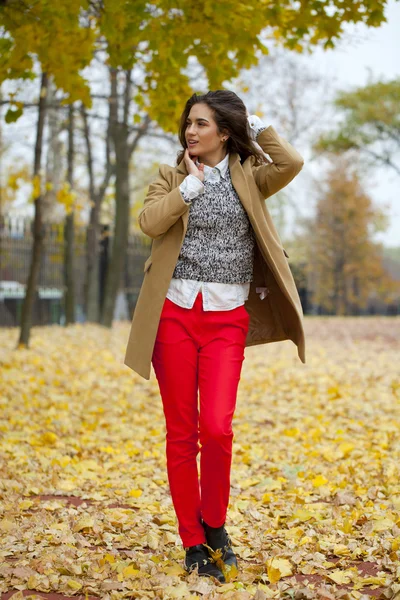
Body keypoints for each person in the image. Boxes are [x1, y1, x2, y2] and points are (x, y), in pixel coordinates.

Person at [128, 90, 305, 583]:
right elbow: (148, 222)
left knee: (219, 428)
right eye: (188, 123)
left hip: (227, 319)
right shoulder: (171, 177)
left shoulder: (250, 175)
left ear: (224, 132)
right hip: (174, 316)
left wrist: (258, 120)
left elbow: (291, 161)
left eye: (202, 124)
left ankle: (216, 522)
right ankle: (193, 540)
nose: (191, 131)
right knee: (183, 433)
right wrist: (189, 188)